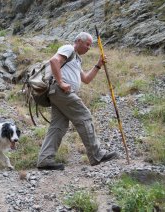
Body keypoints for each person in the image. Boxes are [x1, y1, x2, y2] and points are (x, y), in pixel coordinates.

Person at [37, 32, 117, 170]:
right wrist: (61, 83)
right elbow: (54, 61)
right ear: (79, 41)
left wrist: (98, 65)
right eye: (87, 44)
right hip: (62, 91)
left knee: (58, 126)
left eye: (90, 45)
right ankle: (96, 154)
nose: (89, 47)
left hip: (58, 93)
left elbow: (86, 79)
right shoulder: (68, 48)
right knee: (84, 116)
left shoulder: (77, 59)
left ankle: (45, 160)